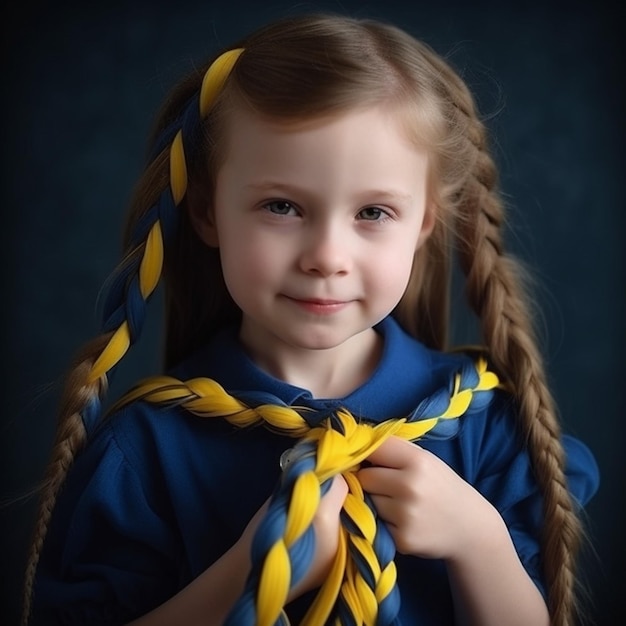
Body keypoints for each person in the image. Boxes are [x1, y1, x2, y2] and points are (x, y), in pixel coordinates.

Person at [22, 12, 599, 626]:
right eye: (282, 206)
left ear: (425, 223)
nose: (327, 257)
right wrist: (249, 572)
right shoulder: (141, 451)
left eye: (373, 212)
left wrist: (478, 542)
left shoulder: (489, 429)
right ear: (210, 213)